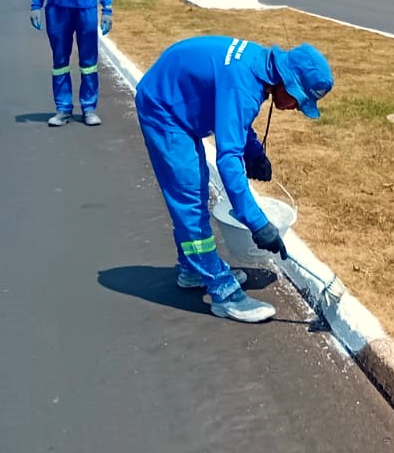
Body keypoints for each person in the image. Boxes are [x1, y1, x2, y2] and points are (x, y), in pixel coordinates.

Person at [135, 36, 333, 323]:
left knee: (195, 191)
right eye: (299, 101)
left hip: (182, 98)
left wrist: (254, 154)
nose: (296, 108)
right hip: (163, 107)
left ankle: (193, 270)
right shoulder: (245, 85)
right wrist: (258, 223)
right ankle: (222, 292)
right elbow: (227, 159)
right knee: (189, 195)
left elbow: (232, 117)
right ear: (287, 82)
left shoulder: (258, 68)